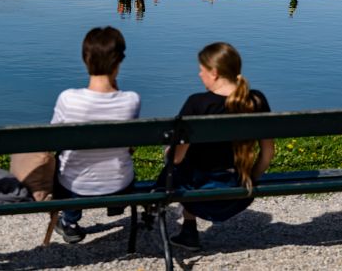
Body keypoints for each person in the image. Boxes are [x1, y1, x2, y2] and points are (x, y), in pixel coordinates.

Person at [161, 42, 274, 251]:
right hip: (239, 191)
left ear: (214, 73)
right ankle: (187, 230)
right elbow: (268, 153)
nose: (199, 74)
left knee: (178, 163)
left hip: (198, 189)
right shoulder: (256, 100)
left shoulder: (197, 103)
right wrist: (250, 180)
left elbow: (176, 159)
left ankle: (188, 230)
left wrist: (168, 152)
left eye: (201, 70)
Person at [52, 26, 141, 244]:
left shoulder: (68, 99)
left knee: (66, 163)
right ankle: (114, 205)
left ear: (85, 59)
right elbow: (131, 146)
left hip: (74, 186)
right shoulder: (131, 100)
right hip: (120, 184)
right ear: (119, 61)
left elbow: (53, 140)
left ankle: (70, 222)